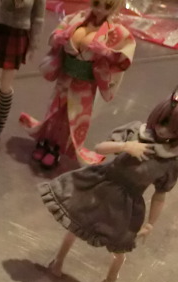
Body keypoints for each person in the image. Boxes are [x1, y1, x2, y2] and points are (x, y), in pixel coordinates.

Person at [40, 87, 178, 282]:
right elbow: (100, 148)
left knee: (119, 249)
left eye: (173, 130)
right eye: (163, 122)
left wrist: (151, 223)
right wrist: (125, 146)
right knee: (75, 226)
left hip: (125, 206)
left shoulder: (171, 160)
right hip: (100, 185)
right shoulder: (135, 131)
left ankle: (109, 280)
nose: (164, 130)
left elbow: (160, 194)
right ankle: (58, 260)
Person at [20, 0, 136, 168]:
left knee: (72, 118)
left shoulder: (116, 32)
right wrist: (60, 37)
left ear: (115, 8)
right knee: (54, 111)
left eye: (107, 7)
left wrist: (106, 52)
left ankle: (55, 148)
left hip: (85, 84)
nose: (100, 10)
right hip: (65, 76)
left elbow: (123, 58)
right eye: (97, 4)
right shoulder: (76, 18)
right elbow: (57, 34)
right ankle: (45, 141)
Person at [0, 0, 46, 161]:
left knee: (5, 86)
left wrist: (33, 45)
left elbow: (38, 18)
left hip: (18, 35)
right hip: (0, 29)